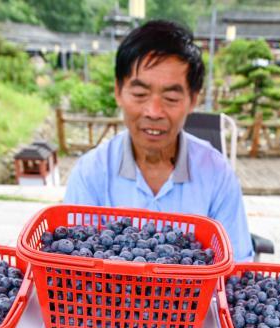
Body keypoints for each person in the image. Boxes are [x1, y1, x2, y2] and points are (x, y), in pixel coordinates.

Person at [64, 20, 254, 261]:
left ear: (193, 100)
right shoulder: (90, 172)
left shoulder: (217, 174)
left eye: (171, 98)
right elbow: (73, 264)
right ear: (118, 91)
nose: (153, 111)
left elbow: (235, 264)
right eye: (140, 94)